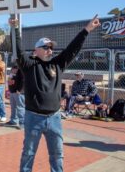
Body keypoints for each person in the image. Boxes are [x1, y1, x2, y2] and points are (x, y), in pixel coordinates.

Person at [9, 15, 101, 172]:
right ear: (36, 50)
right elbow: (18, 50)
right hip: (33, 117)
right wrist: (15, 28)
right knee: (28, 153)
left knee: (57, 154)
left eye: (51, 48)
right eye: (46, 47)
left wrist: (86, 30)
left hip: (55, 118)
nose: (49, 50)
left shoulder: (57, 64)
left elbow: (73, 49)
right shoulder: (29, 65)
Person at [6, 64, 25, 129]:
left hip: (18, 92)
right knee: (13, 107)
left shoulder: (22, 70)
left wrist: (19, 90)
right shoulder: (13, 69)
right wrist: (9, 90)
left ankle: (22, 123)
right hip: (12, 91)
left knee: (20, 108)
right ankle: (13, 120)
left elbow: (23, 81)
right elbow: (9, 80)